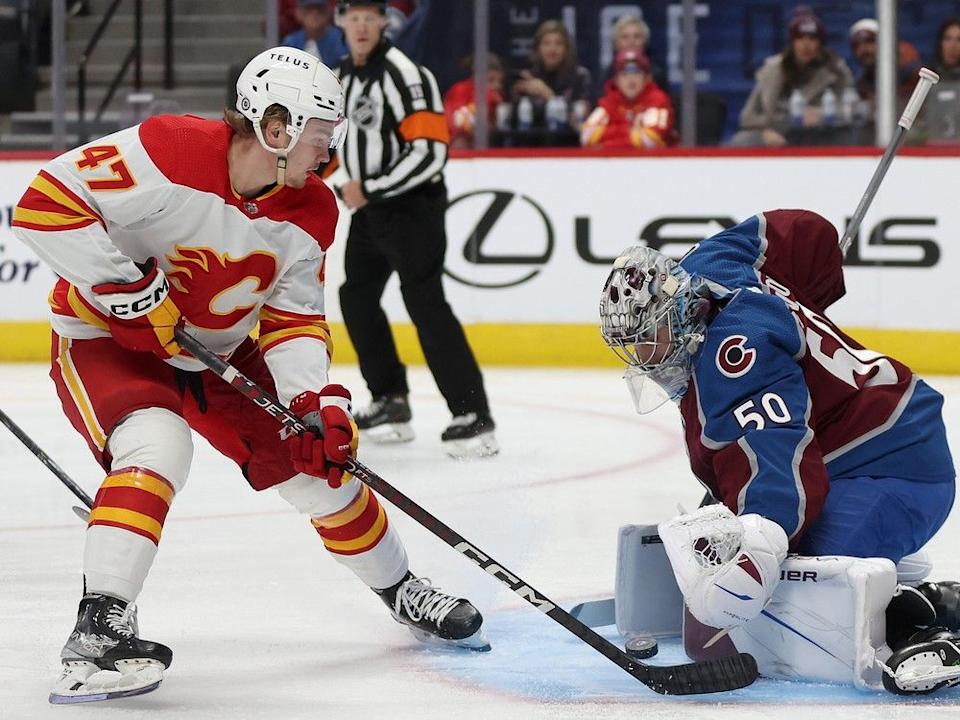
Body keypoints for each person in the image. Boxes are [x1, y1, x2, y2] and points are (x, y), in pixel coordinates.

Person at [12, 46, 488, 704]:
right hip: (107, 342)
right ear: (276, 126)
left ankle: (401, 587)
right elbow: (44, 206)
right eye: (322, 135)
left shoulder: (314, 211)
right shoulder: (168, 149)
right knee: (158, 448)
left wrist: (313, 402)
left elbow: (293, 320)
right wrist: (131, 293)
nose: (330, 152)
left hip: (219, 353)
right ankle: (97, 633)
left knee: (319, 467)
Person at [598, 209, 959, 694]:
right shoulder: (711, 265)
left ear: (679, 308)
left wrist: (761, 545)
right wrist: (818, 282)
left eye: (650, 338)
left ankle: (916, 620)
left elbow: (776, 462)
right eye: (633, 345)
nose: (645, 357)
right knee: (752, 563)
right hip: (865, 442)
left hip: (895, 466)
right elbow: (802, 231)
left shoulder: (733, 358)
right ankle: (899, 573)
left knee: (808, 586)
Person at [330, 0, 497, 458]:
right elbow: (329, 141)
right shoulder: (338, 76)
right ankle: (390, 400)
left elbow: (430, 152)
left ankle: (472, 414)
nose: (361, 26)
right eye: (353, 17)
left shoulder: (406, 74)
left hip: (412, 209)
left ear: (385, 21)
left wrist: (372, 188)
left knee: (423, 301)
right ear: (341, 21)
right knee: (356, 296)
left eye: (370, 17)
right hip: (370, 210)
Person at [730, 8, 853, 147]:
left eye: (812, 38)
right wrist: (765, 130)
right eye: (800, 38)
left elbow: (850, 110)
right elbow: (747, 117)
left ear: (820, 43)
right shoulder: (773, 70)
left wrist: (822, 115)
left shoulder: (836, 71)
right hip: (780, 132)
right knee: (741, 140)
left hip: (821, 134)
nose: (806, 45)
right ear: (792, 42)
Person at [580, 49, 675, 150]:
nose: (631, 79)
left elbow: (651, 140)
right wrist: (631, 130)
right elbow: (586, 137)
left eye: (636, 73)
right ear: (616, 80)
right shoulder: (609, 102)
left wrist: (605, 145)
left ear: (647, 78)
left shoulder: (658, 100)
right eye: (624, 74)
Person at [512, 19, 593, 133]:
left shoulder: (580, 77)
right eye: (546, 43)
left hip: (569, 143)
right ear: (538, 48)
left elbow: (581, 122)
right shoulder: (529, 78)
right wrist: (515, 98)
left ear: (567, 49)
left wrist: (547, 95)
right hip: (532, 143)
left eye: (558, 44)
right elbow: (514, 124)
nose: (552, 49)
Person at [848, 18, 921, 112]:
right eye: (857, 45)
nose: (863, 49)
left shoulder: (912, 70)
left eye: (869, 41)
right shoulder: (863, 83)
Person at [443, 53, 506, 148]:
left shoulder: (497, 97)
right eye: (491, 80)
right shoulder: (460, 90)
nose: (497, 85)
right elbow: (459, 124)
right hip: (456, 149)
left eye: (500, 81)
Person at [923, 17, 960, 143]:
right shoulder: (925, 81)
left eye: (959, 40)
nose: (953, 46)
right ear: (940, 43)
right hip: (930, 155)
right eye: (947, 39)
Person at [281, 0, 348, 65]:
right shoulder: (291, 41)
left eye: (319, 9)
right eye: (309, 10)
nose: (314, 14)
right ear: (299, 13)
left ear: (328, 12)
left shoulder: (341, 39)